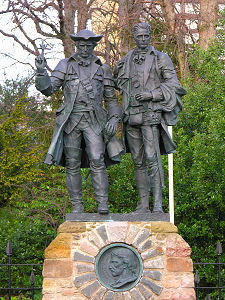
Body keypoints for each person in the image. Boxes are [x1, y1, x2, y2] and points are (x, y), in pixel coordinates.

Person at [35, 29, 123, 214]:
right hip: (71, 120)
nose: (84, 49)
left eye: (88, 45)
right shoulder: (65, 65)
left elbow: (112, 100)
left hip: (94, 120)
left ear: (93, 46)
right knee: (72, 163)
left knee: (97, 159)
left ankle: (102, 204)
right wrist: (41, 71)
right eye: (81, 45)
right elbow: (49, 89)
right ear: (76, 46)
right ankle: (77, 206)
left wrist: (114, 118)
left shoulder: (102, 68)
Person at [114, 22, 187, 213]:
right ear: (134, 37)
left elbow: (174, 85)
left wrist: (152, 94)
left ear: (150, 36)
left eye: (146, 36)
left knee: (152, 158)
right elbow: (117, 84)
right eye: (139, 37)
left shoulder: (160, 58)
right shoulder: (127, 59)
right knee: (138, 161)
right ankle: (143, 206)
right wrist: (116, 70)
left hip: (151, 114)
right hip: (131, 115)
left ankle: (157, 206)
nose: (144, 40)